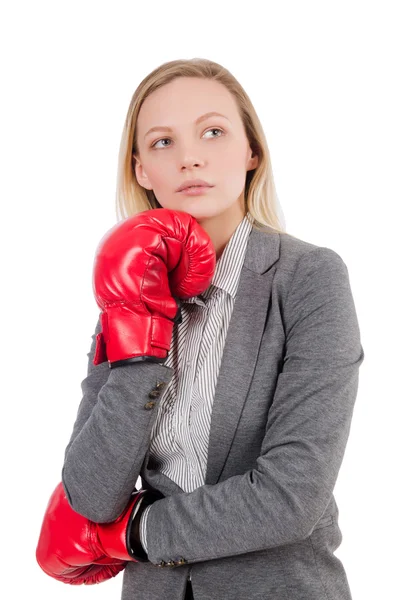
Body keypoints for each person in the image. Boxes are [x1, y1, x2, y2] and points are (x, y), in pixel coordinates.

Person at [36, 58, 364, 600]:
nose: (190, 157)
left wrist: (137, 533)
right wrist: (140, 342)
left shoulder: (309, 278)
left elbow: (291, 498)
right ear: (142, 169)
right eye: (163, 142)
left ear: (251, 151)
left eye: (213, 132)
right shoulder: (126, 298)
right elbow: (91, 497)